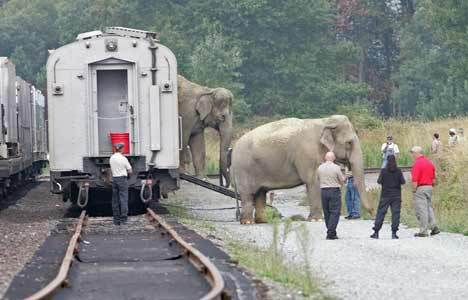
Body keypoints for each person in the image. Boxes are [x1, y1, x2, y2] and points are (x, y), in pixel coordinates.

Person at [370, 155, 406, 239]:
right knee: (395, 214)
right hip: (396, 195)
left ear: (387, 161)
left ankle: (376, 232)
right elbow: (403, 182)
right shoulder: (398, 171)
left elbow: (379, 181)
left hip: (385, 195)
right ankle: (394, 233)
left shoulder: (383, 171)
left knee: (381, 213)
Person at [410, 146, 440, 237]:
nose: (412, 155)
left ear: (416, 153)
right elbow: (434, 180)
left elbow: (415, 180)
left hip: (421, 188)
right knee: (429, 208)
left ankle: (423, 231)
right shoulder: (429, 163)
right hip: (429, 187)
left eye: (412, 153)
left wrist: (414, 190)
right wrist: (430, 185)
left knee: (422, 209)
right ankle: (434, 227)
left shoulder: (417, 164)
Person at [317, 152, 345, 240]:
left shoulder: (320, 168)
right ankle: (330, 232)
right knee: (335, 211)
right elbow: (342, 180)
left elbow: (317, 179)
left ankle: (332, 231)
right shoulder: (336, 168)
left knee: (326, 212)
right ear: (333, 158)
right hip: (334, 190)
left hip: (323, 191)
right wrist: (345, 177)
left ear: (325, 158)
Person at [110, 143, 132, 225]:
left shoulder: (111, 158)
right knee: (123, 199)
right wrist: (128, 175)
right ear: (121, 149)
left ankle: (116, 220)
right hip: (122, 179)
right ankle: (123, 220)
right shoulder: (123, 158)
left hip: (114, 179)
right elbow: (130, 170)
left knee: (115, 200)